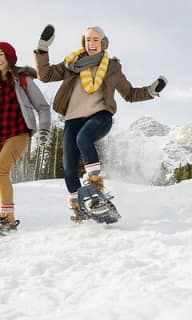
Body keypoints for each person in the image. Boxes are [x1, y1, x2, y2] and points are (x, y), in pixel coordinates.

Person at [34, 25, 167, 222]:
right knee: (69, 169)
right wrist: (43, 48)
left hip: (100, 116)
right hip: (72, 118)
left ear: (103, 42)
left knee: (84, 138)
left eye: (96, 39)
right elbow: (45, 76)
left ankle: (95, 188)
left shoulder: (112, 67)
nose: (91, 43)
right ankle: (80, 208)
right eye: (88, 39)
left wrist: (150, 91)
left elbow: (129, 93)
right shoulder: (72, 64)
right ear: (83, 42)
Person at [0, 41, 51, 231]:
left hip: (18, 133)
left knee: (1, 170)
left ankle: (7, 219)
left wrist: (44, 129)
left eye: (1, 54)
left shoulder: (22, 79)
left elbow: (43, 107)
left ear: (9, 57)